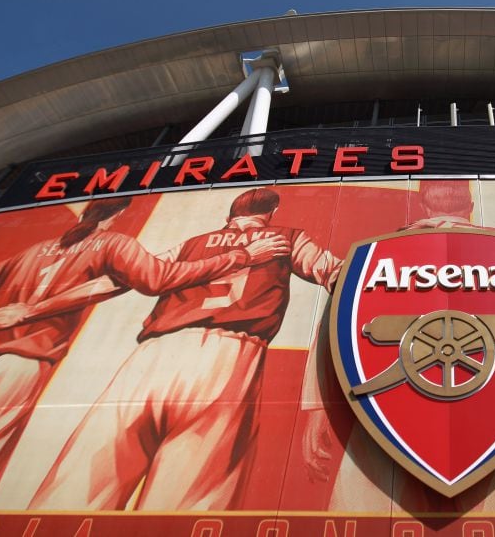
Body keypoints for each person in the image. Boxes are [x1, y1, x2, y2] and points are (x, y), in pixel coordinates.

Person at [0, 197, 278, 510]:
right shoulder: (115, 245)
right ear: (122, 212)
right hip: (14, 371)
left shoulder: (31, 251)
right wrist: (242, 257)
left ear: (85, 210)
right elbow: (157, 279)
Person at [29, 187, 341, 511]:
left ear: (229, 217)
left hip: (152, 355)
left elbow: (118, 281)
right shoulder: (286, 238)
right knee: (186, 506)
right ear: (270, 214)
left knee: (76, 490)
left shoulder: (193, 243)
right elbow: (336, 272)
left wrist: (33, 310)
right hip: (229, 356)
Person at [300, 180, 495, 513]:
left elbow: (335, 326)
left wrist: (317, 408)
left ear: (423, 206)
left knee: (371, 512)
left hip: (386, 422)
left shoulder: (373, 256)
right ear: (470, 205)